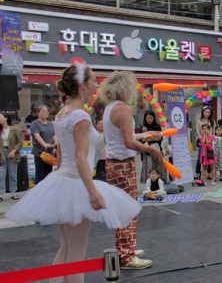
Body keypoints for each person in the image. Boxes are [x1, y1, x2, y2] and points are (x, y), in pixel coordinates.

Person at [6, 59, 144, 278]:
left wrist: (58, 183)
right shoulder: (79, 116)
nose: (97, 86)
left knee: (67, 248)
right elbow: (80, 156)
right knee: (76, 253)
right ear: (83, 85)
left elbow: (64, 154)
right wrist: (91, 191)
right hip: (75, 183)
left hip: (63, 181)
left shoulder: (62, 113)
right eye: (93, 81)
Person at [100, 70, 161, 269]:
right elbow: (128, 142)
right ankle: (127, 255)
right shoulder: (123, 109)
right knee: (128, 209)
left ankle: (124, 248)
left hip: (113, 164)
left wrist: (145, 137)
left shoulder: (109, 108)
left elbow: (123, 138)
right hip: (123, 163)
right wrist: (150, 149)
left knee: (121, 209)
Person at [31, 105, 58, 184]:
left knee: (48, 172)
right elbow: (37, 136)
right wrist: (45, 144)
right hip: (40, 152)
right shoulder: (35, 124)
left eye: (46, 111)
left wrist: (56, 142)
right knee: (39, 173)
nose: (45, 113)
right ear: (38, 113)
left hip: (49, 152)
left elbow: (54, 134)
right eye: (42, 111)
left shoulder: (50, 124)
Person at [0, 112, 23, 201]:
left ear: (6, 118)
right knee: (1, 174)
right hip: (2, 153)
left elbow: (20, 142)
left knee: (13, 174)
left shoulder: (15, 129)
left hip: (12, 152)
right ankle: (1, 194)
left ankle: (14, 192)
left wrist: (14, 150)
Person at [140, 110, 167, 184]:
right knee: (149, 165)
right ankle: (150, 182)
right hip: (147, 149)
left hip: (157, 148)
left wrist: (150, 138)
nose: (149, 120)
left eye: (150, 118)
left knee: (159, 164)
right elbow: (142, 139)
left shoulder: (157, 126)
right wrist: (153, 138)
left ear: (153, 118)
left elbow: (160, 137)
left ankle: (161, 181)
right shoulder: (143, 127)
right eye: (147, 118)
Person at [195, 107, 215, 180]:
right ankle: (197, 173)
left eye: (208, 112)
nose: (207, 113)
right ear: (203, 112)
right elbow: (197, 131)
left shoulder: (212, 122)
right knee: (200, 157)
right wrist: (202, 138)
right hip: (202, 142)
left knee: (210, 157)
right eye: (206, 112)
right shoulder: (199, 121)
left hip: (209, 142)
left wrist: (210, 138)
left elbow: (213, 132)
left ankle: (209, 173)